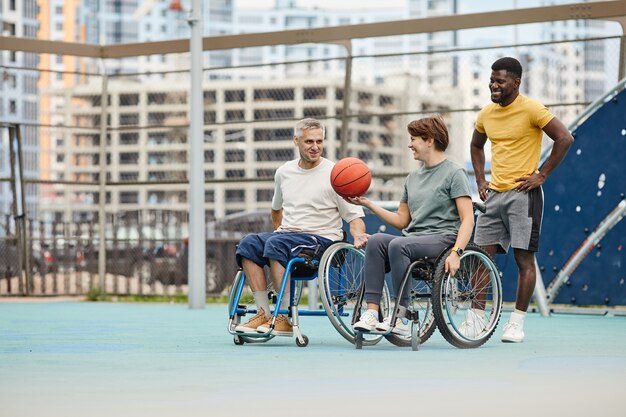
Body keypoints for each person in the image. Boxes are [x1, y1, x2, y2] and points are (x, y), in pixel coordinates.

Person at [470, 57, 574, 343]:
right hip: (493, 196)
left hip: (523, 196)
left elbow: (564, 138)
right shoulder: (486, 114)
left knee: (523, 259)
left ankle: (516, 323)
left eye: (500, 81)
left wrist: (542, 175)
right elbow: (476, 146)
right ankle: (475, 320)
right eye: (491, 80)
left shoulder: (532, 109)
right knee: (481, 258)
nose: (494, 85)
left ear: (516, 82)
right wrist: (480, 179)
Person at [234, 118, 368, 336]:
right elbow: (276, 208)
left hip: (321, 240)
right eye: (309, 142)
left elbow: (354, 217)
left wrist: (359, 235)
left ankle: (284, 317)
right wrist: (279, 230)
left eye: (319, 141)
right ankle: (264, 312)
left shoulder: (336, 174)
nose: (315, 147)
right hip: (288, 236)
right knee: (248, 243)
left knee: (277, 244)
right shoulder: (284, 172)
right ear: (296, 141)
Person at [348, 115, 474, 337]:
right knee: (377, 240)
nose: (409, 144)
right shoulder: (412, 178)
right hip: (414, 239)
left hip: (443, 239)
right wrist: (368, 204)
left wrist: (457, 252)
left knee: (398, 244)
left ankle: (401, 316)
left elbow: (468, 219)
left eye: (413, 138)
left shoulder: (455, 173)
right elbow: (402, 220)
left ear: (430, 140)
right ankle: (371, 313)